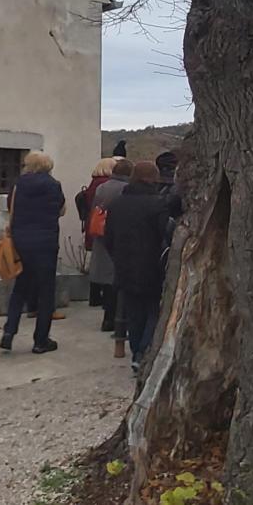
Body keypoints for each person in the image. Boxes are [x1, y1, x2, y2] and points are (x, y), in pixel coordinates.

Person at [104, 159, 182, 373]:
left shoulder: (117, 204)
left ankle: (136, 350)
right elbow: (166, 234)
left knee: (133, 313)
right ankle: (142, 352)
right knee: (153, 311)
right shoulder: (157, 204)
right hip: (151, 266)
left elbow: (108, 238)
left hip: (124, 266)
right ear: (154, 178)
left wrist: (118, 258)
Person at [2, 152, 66, 353]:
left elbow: (11, 208)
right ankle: (40, 340)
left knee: (20, 287)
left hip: (21, 241)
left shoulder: (18, 185)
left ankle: (9, 331)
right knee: (46, 291)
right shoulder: (54, 185)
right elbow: (61, 210)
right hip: (46, 242)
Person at [94, 158, 133, 340]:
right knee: (118, 281)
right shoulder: (126, 189)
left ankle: (107, 319)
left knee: (107, 280)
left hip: (102, 233)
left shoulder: (102, 187)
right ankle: (118, 321)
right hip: (120, 235)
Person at [77, 158, 118, 317]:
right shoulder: (105, 185)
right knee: (106, 264)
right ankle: (101, 298)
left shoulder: (94, 183)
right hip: (103, 227)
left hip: (93, 225)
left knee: (97, 261)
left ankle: (94, 296)